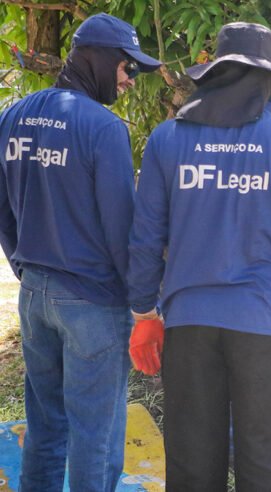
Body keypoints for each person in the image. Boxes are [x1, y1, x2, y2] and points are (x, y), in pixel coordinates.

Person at [126, 22, 271, 491]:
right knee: (267, 467)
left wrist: (143, 312)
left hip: (188, 326)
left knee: (191, 469)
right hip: (264, 330)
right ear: (269, 81)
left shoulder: (167, 140)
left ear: (212, 74)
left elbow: (146, 235)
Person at [0, 13, 160, 490]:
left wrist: (24, 266)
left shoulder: (13, 115)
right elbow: (120, 229)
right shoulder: (103, 129)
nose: (130, 80)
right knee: (96, 437)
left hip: (34, 296)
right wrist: (143, 306)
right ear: (101, 57)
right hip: (93, 303)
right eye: (128, 67)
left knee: (46, 426)